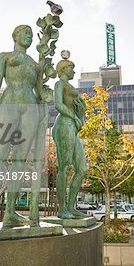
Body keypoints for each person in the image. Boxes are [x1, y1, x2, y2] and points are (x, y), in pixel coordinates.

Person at [0, 25, 42, 230]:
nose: (29, 36)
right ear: (15, 36)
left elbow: (39, 92)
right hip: (9, 102)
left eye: (32, 34)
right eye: (25, 33)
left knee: (20, 160)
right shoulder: (4, 56)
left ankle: (11, 212)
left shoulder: (35, 64)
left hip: (30, 107)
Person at [52, 57, 88, 219]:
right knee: (65, 167)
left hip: (72, 127)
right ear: (63, 69)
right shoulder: (60, 84)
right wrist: (75, 116)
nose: (73, 71)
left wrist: (81, 112)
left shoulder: (71, 87)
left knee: (82, 169)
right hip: (63, 125)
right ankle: (62, 209)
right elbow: (58, 105)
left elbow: (78, 116)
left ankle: (71, 207)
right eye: (71, 68)